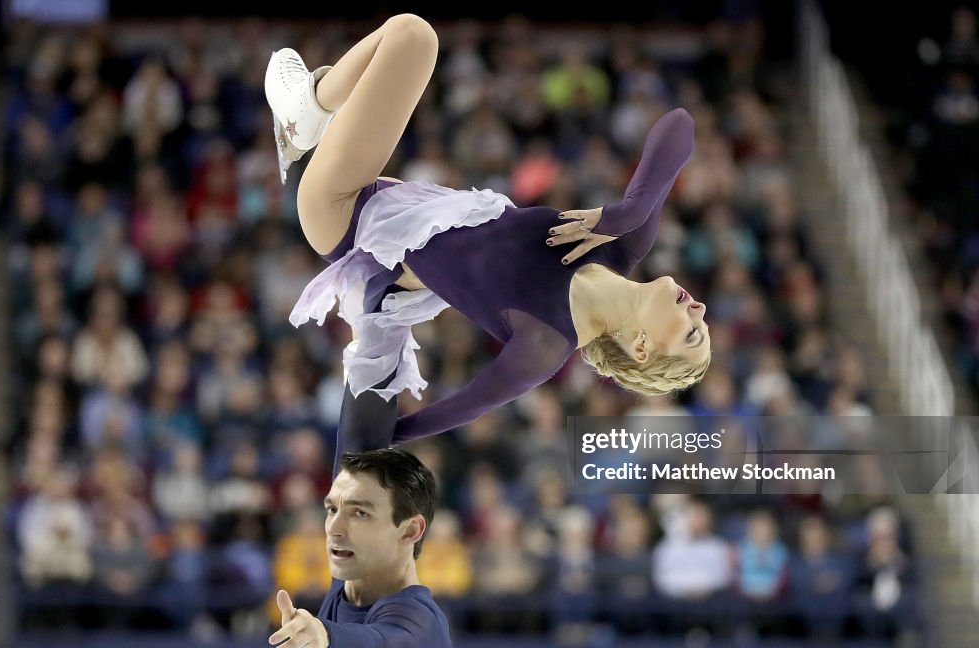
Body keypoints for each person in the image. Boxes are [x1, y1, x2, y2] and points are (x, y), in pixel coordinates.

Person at [264, 14, 710, 446]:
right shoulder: (622, 246)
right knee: (411, 38)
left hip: (345, 215)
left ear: (641, 348)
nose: (701, 310)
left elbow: (464, 408)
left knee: (412, 36)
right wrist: (626, 214)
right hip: (389, 197)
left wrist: (372, 451)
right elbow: (679, 126)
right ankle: (308, 114)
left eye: (691, 333)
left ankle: (307, 112)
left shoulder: (546, 342)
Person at [262, 363, 454, 648]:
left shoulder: (421, 625)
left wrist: (326, 638)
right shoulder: (351, 580)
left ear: (410, 530)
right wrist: (372, 329)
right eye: (331, 509)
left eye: (360, 514)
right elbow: (360, 429)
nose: (335, 528)